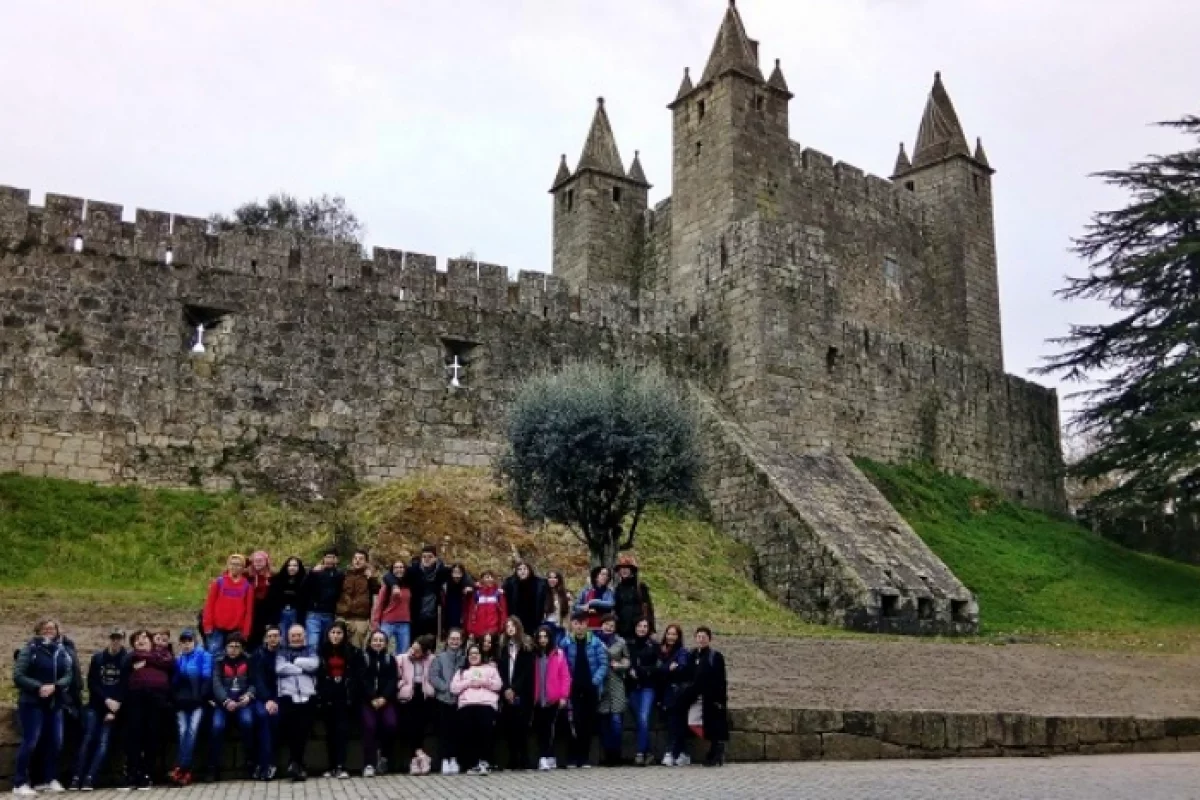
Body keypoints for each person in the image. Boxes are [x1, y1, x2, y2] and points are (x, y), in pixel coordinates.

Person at [12, 620, 75, 796]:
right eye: (45, 628)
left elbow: (69, 674)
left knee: (56, 742)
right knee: (31, 742)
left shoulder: (61, 651)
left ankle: (48, 779)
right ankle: (19, 782)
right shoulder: (29, 649)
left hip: (55, 702)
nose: (49, 631)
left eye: (52, 628)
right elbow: (18, 675)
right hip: (32, 702)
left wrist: (55, 686)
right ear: (38, 630)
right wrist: (38, 686)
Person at [70, 628, 128, 791]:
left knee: (103, 742)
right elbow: (92, 683)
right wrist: (106, 700)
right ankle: (76, 776)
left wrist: (114, 709)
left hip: (114, 709)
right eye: (113, 638)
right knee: (88, 739)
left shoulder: (126, 660)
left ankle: (90, 777)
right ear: (109, 639)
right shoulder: (98, 658)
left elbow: (124, 685)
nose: (116, 641)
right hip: (96, 705)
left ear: (123, 640)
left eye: (119, 638)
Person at [122, 628, 174, 790]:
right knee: (134, 736)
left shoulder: (164, 655)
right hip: (135, 699)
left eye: (144, 638)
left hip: (157, 700)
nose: (141, 640)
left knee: (153, 736)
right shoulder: (130, 657)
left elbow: (168, 663)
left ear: (151, 642)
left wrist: (148, 659)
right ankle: (132, 773)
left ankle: (147, 774)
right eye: (137, 639)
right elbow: (126, 666)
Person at [560, 611, 607, 769]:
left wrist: (595, 681)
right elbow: (562, 664)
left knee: (588, 723)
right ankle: (573, 757)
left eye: (582, 623)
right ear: (572, 624)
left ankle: (584, 758)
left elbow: (603, 664)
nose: (579, 627)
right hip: (573, 687)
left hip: (591, 688)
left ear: (587, 624)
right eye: (576, 623)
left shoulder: (596, 642)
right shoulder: (565, 642)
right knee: (574, 721)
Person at [208, 633, 256, 783]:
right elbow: (216, 683)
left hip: (243, 702)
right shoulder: (218, 661)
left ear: (242, 648)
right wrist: (226, 700)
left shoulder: (249, 660)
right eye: (231, 646)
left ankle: (250, 763)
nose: (234, 649)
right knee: (217, 727)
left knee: (248, 723)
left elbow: (254, 681)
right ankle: (213, 767)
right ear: (225, 647)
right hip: (223, 703)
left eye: (237, 646)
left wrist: (249, 695)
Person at [275, 624, 319, 782]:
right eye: (293, 635)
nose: (296, 638)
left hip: (308, 695)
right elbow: (280, 668)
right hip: (288, 695)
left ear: (304, 636)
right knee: (293, 730)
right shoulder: (282, 651)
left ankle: (295, 763)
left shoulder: (311, 649)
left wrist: (295, 661)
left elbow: (315, 665)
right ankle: (297, 764)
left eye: (299, 635)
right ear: (288, 637)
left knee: (303, 731)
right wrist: (303, 668)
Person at [449, 643, 502, 776]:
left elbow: (498, 685)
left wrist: (484, 681)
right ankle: (471, 763)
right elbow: (453, 688)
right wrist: (468, 682)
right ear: (467, 656)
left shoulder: (490, 669)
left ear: (481, 655)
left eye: (476, 653)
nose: (473, 655)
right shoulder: (461, 671)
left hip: (485, 704)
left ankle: (484, 761)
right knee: (467, 729)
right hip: (467, 704)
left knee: (485, 727)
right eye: (471, 653)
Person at [680, 627, 729, 767]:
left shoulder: (715, 656)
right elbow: (687, 674)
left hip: (710, 697)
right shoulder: (692, 654)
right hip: (695, 696)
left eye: (704, 637)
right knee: (693, 722)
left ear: (709, 639)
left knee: (711, 723)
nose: (701, 639)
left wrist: (721, 699)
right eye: (699, 636)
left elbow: (721, 679)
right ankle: (717, 744)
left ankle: (715, 751)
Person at [169, 629, 211, 788]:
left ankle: (182, 767)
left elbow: (206, 678)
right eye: (184, 642)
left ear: (195, 641)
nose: (186, 644)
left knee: (192, 731)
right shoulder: (179, 659)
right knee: (182, 731)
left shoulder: (204, 656)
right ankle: (184, 768)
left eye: (189, 641)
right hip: (182, 703)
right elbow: (175, 682)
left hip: (197, 702)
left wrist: (200, 697)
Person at [316, 621, 356, 779]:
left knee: (342, 731)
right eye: (333, 632)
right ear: (327, 634)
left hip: (344, 695)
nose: (336, 636)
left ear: (344, 635)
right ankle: (331, 765)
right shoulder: (321, 651)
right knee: (330, 732)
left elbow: (355, 675)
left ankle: (341, 765)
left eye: (339, 633)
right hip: (327, 695)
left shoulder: (352, 652)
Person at [357, 630, 398, 777]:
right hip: (368, 701)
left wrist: (384, 698)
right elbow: (362, 679)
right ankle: (369, 763)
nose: (378, 643)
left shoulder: (390, 659)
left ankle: (384, 757)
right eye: (375, 640)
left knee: (391, 724)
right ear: (370, 642)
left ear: (386, 643)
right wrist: (372, 697)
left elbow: (393, 680)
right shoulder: (363, 658)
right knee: (369, 726)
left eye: (381, 640)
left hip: (385, 700)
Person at [496, 617, 534, 771]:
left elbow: (527, 671)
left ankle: (524, 759)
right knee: (509, 726)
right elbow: (500, 670)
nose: (510, 628)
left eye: (512, 625)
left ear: (518, 627)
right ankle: (512, 759)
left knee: (522, 727)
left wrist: (515, 689)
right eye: (507, 626)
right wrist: (506, 688)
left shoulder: (526, 646)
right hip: (506, 692)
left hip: (522, 692)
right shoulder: (503, 647)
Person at [530, 625, 570, 772]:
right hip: (538, 698)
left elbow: (565, 676)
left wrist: (564, 696)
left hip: (553, 698)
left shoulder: (558, 654)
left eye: (545, 637)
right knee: (541, 729)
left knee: (550, 729)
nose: (542, 640)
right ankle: (543, 757)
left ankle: (547, 756)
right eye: (540, 637)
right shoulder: (534, 655)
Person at [395, 635, 436, 775]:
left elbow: (433, 677)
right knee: (410, 723)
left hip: (425, 694)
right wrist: (402, 685)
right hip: (407, 694)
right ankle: (421, 756)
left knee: (419, 723)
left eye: (418, 651)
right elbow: (396, 677)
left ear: (425, 652)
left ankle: (415, 759)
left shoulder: (431, 659)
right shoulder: (401, 658)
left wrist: (430, 687)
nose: (413, 652)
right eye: (413, 648)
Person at [428, 628, 465, 775]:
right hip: (443, 699)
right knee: (444, 731)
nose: (455, 641)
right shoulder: (440, 657)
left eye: (457, 639)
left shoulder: (464, 658)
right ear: (447, 640)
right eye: (452, 639)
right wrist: (445, 687)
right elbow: (433, 676)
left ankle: (454, 758)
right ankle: (444, 759)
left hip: (460, 700)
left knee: (457, 731)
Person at [202, 554, 255, 656]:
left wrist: (245, 631)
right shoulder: (219, 582)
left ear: (243, 568)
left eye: (238, 565)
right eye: (232, 564)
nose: (234, 567)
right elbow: (209, 605)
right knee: (214, 654)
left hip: (236, 629)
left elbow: (249, 612)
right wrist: (207, 625)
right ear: (228, 566)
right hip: (217, 628)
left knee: (232, 656)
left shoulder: (247, 586)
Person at [596, 614, 630, 766]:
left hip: (616, 683)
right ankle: (607, 754)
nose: (609, 627)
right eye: (606, 624)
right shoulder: (594, 641)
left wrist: (621, 665)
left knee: (616, 721)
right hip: (601, 684)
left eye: (612, 625)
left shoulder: (620, 642)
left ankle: (616, 753)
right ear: (601, 624)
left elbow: (627, 660)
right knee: (603, 722)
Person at [655, 623, 691, 767]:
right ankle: (683, 752)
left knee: (675, 723)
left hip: (676, 693)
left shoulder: (682, 652)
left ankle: (671, 752)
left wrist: (668, 669)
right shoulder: (661, 650)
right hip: (663, 692)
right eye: (669, 633)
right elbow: (658, 670)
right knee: (674, 723)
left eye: (674, 634)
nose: (671, 637)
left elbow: (681, 668)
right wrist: (667, 668)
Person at [251, 626, 282, 781]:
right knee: (262, 716)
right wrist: (268, 699)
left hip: (279, 698)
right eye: (270, 636)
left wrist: (275, 700)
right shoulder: (258, 654)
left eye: (276, 635)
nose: (273, 639)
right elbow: (258, 679)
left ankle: (268, 763)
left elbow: (283, 680)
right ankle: (262, 763)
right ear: (265, 638)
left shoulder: (284, 654)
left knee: (274, 718)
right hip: (261, 697)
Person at [626, 617, 658, 766]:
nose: (642, 628)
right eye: (639, 625)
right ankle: (649, 752)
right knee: (640, 720)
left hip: (648, 687)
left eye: (645, 626)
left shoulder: (654, 645)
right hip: (633, 688)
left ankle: (639, 753)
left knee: (643, 717)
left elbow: (657, 667)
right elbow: (625, 662)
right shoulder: (629, 643)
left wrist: (639, 671)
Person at [338, 549, 380, 650]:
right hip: (342, 616)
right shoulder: (344, 574)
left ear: (366, 562)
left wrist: (372, 577)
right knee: (339, 647)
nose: (357, 561)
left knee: (356, 649)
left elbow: (377, 591)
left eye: (361, 559)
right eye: (355, 558)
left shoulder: (369, 576)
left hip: (360, 618)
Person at [303, 549, 344, 650]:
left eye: (333, 557)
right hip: (314, 613)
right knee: (313, 642)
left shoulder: (340, 575)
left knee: (326, 643)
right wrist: (312, 572)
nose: (330, 560)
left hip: (329, 614)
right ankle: (311, 664)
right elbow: (303, 587)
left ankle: (322, 664)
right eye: (327, 557)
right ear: (323, 559)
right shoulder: (315, 573)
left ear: (336, 560)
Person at [372, 560, 412, 655]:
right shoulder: (387, 586)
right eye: (396, 568)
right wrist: (375, 622)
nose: (399, 570)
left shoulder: (409, 585)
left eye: (401, 567)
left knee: (403, 653)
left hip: (404, 623)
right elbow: (379, 604)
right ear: (392, 570)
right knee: (380, 649)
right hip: (388, 622)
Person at [612, 555, 655, 640]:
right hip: (622, 630)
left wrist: (651, 628)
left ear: (632, 570)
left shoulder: (640, 587)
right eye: (621, 568)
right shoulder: (618, 588)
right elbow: (616, 609)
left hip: (638, 630)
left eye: (627, 568)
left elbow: (648, 608)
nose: (624, 570)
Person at [502, 562, 545, 638]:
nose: (522, 571)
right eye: (520, 569)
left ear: (529, 570)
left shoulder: (539, 583)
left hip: (533, 622)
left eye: (525, 569)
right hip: (515, 621)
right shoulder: (509, 584)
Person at [268, 557, 307, 637]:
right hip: (280, 613)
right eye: (289, 565)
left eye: (295, 565)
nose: (292, 568)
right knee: (281, 638)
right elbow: (271, 600)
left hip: (296, 613)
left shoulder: (304, 581)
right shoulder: (277, 579)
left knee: (294, 637)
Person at [465, 569, 506, 640]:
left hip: (494, 631)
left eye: (491, 577)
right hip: (478, 631)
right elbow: (471, 613)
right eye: (487, 577)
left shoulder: (498, 593)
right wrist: (470, 630)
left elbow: (503, 612)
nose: (490, 579)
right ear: (482, 579)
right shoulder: (477, 594)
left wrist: (502, 628)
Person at [247, 551, 273, 650]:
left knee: (262, 639)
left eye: (260, 561)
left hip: (266, 612)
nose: (257, 563)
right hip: (250, 611)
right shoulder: (248, 575)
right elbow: (229, 571)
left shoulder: (272, 576)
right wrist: (248, 561)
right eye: (255, 561)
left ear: (266, 562)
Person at [541, 571, 571, 640]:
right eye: (550, 577)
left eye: (555, 578)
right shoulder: (543, 593)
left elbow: (568, 614)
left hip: (560, 626)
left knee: (559, 649)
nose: (552, 580)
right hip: (546, 626)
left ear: (559, 580)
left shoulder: (565, 594)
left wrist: (567, 630)